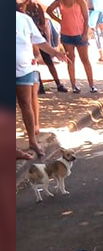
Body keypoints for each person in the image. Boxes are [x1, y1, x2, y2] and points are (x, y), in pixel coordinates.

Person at [16, 9, 68, 158]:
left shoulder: (23, 19)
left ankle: (32, 140)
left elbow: (39, 41)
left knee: (26, 104)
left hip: (23, 68)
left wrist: (56, 53)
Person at [46, 0, 97, 93]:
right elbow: (49, 10)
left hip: (79, 34)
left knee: (85, 59)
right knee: (70, 60)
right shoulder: (60, 1)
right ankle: (74, 85)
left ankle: (92, 85)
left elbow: (86, 18)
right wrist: (59, 20)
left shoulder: (78, 1)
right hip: (66, 35)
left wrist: (85, 33)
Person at [19, 0, 68, 93]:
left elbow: (42, 20)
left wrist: (40, 30)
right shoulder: (20, 8)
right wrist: (25, 5)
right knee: (34, 61)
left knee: (48, 60)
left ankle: (58, 83)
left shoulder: (37, 7)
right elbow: (21, 16)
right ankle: (39, 84)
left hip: (39, 35)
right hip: (28, 40)